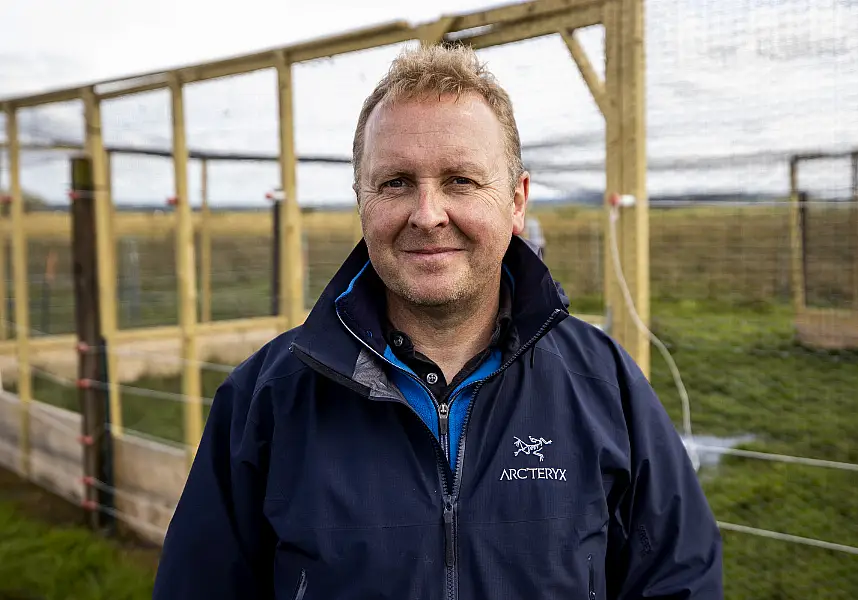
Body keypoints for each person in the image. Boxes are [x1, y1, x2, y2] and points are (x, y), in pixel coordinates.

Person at [153, 44, 723, 599]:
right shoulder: (268, 398)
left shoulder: (605, 386)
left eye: (461, 181)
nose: (427, 215)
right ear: (362, 200)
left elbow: (678, 579)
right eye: (396, 182)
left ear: (517, 202)